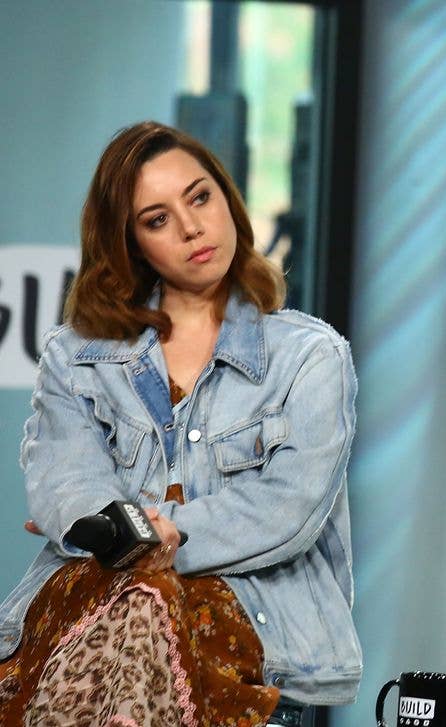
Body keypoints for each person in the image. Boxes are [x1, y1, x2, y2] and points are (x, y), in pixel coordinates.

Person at [0, 121, 360, 725]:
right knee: (138, 600)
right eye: (157, 218)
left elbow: (285, 508)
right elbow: (70, 485)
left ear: (228, 201)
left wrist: (154, 535)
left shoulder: (309, 356)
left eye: (199, 198)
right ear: (131, 242)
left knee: (147, 598)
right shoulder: (76, 355)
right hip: (100, 608)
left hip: (252, 627)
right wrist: (128, 537)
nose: (192, 227)